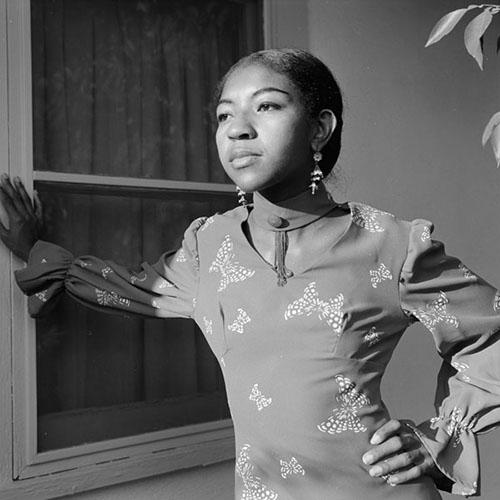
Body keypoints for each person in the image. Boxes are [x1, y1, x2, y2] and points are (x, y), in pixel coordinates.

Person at [0, 48, 499, 499]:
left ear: (319, 129)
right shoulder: (209, 246)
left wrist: (440, 437)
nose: (237, 128)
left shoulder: (390, 245)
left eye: (266, 106)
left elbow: (492, 334)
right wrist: (34, 250)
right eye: (223, 115)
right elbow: (130, 289)